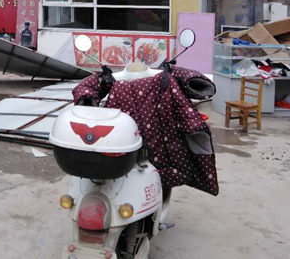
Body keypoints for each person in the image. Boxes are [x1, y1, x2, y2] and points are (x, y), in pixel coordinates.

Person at [72, 64, 219, 196]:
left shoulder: (164, 79)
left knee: (123, 179)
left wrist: (89, 99)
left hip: (125, 153)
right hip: (165, 156)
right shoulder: (167, 79)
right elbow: (197, 88)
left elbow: (85, 90)